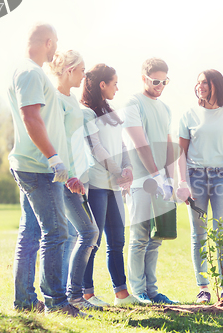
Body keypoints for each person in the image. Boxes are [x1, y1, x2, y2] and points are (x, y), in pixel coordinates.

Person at [7, 23, 86, 317]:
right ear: (49, 42)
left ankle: (25, 301)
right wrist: (54, 159)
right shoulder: (29, 72)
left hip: (34, 165)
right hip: (39, 167)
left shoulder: (27, 71)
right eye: (56, 43)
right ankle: (56, 301)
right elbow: (31, 118)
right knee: (56, 232)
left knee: (31, 234)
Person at [176, 69, 223, 305]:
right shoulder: (188, 115)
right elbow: (181, 153)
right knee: (199, 234)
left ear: (216, 85)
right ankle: (204, 288)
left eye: (205, 83)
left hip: (222, 178)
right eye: (198, 83)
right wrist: (182, 182)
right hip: (195, 178)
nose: (200, 87)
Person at [80, 64, 140, 306]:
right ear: (102, 84)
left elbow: (122, 145)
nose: (118, 87)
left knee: (117, 240)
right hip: (96, 184)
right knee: (92, 241)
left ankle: (121, 294)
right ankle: (86, 293)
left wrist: (128, 169)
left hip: (114, 185)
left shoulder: (112, 112)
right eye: (115, 83)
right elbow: (96, 148)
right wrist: (118, 171)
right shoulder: (87, 113)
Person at [121, 57, 178, 304]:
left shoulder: (165, 108)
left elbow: (166, 144)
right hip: (141, 181)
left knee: (156, 239)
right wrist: (155, 174)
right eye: (156, 81)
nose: (161, 85)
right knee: (139, 238)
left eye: (165, 81)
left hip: (161, 181)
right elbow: (140, 143)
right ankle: (138, 291)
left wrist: (170, 179)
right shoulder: (133, 103)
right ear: (144, 78)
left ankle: (152, 291)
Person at [49, 50, 101, 311]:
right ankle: (74, 296)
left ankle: (73, 295)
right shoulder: (56, 100)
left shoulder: (70, 101)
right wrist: (69, 176)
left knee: (78, 234)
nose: (84, 75)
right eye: (81, 70)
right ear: (69, 70)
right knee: (89, 232)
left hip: (78, 177)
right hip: (67, 179)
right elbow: (59, 142)